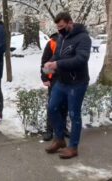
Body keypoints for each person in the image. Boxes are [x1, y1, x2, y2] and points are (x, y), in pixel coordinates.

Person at [44, 12, 91, 159]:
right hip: (62, 81)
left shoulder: (83, 38)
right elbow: (58, 55)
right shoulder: (61, 37)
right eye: (58, 27)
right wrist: (49, 63)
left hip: (77, 83)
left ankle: (73, 147)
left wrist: (57, 64)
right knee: (52, 108)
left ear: (70, 23)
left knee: (73, 114)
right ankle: (59, 139)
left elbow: (81, 59)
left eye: (62, 26)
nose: (60, 30)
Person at [41, 33, 69, 141]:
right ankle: (49, 130)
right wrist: (45, 77)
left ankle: (63, 128)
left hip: (67, 79)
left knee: (65, 104)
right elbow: (44, 61)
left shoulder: (72, 42)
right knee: (52, 104)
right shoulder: (52, 43)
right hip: (54, 79)